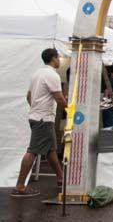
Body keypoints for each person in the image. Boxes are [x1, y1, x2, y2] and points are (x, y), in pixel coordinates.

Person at [11, 48, 66, 197]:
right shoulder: (52, 75)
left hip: (37, 117)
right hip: (43, 119)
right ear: (54, 58)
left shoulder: (37, 73)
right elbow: (59, 97)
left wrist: (36, 108)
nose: (59, 60)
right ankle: (20, 185)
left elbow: (29, 96)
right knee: (33, 151)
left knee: (50, 150)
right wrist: (70, 111)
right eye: (58, 57)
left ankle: (61, 178)